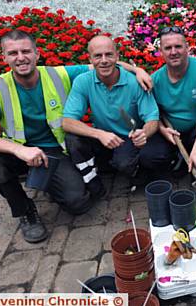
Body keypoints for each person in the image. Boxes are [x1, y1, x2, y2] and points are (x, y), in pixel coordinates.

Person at [0, 30, 149, 243]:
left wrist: (137, 70)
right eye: (13, 53)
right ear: (4, 57)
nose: (21, 57)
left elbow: (104, 64)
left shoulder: (58, 74)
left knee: (78, 204)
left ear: (37, 54)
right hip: (19, 152)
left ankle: (53, 183)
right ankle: (26, 212)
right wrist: (19, 150)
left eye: (26, 51)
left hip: (55, 152)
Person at [62, 36, 159, 193]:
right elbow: (67, 122)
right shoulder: (83, 81)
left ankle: (134, 172)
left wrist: (144, 133)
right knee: (72, 139)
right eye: (98, 56)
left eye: (109, 54)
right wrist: (99, 134)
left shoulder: (135, 82)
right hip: (102, 136)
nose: (104, 60)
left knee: (124, 163)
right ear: (90, 59)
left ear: (117, 56)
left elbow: (152, 119)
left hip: (128, 138)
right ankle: (91, 179)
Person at [144, 26, 196, 177]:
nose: (173, 52)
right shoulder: (155, 80)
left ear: (187, 47)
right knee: (149, 155)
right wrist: (162, 129)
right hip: (173, 133)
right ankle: (177, 161)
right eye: (168, 48)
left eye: (178, 46)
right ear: (161, 52)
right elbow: (153, 114)